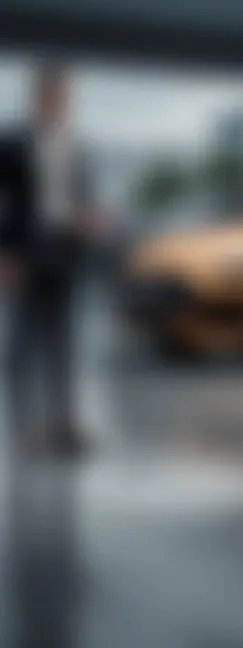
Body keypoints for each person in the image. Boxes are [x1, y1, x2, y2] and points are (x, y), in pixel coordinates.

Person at [0, 63, 95, 457]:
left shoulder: (77, 148)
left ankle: (62, 423)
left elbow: (79, 200)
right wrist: (5, 254)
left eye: (64, 96)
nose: (58, 102)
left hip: (65, 250)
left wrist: (87, 220)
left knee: (64, 344)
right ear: (37, 98)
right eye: (52, 95)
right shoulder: (13, 145)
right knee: (23, 344)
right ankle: (24, 429)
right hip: (26, 252)